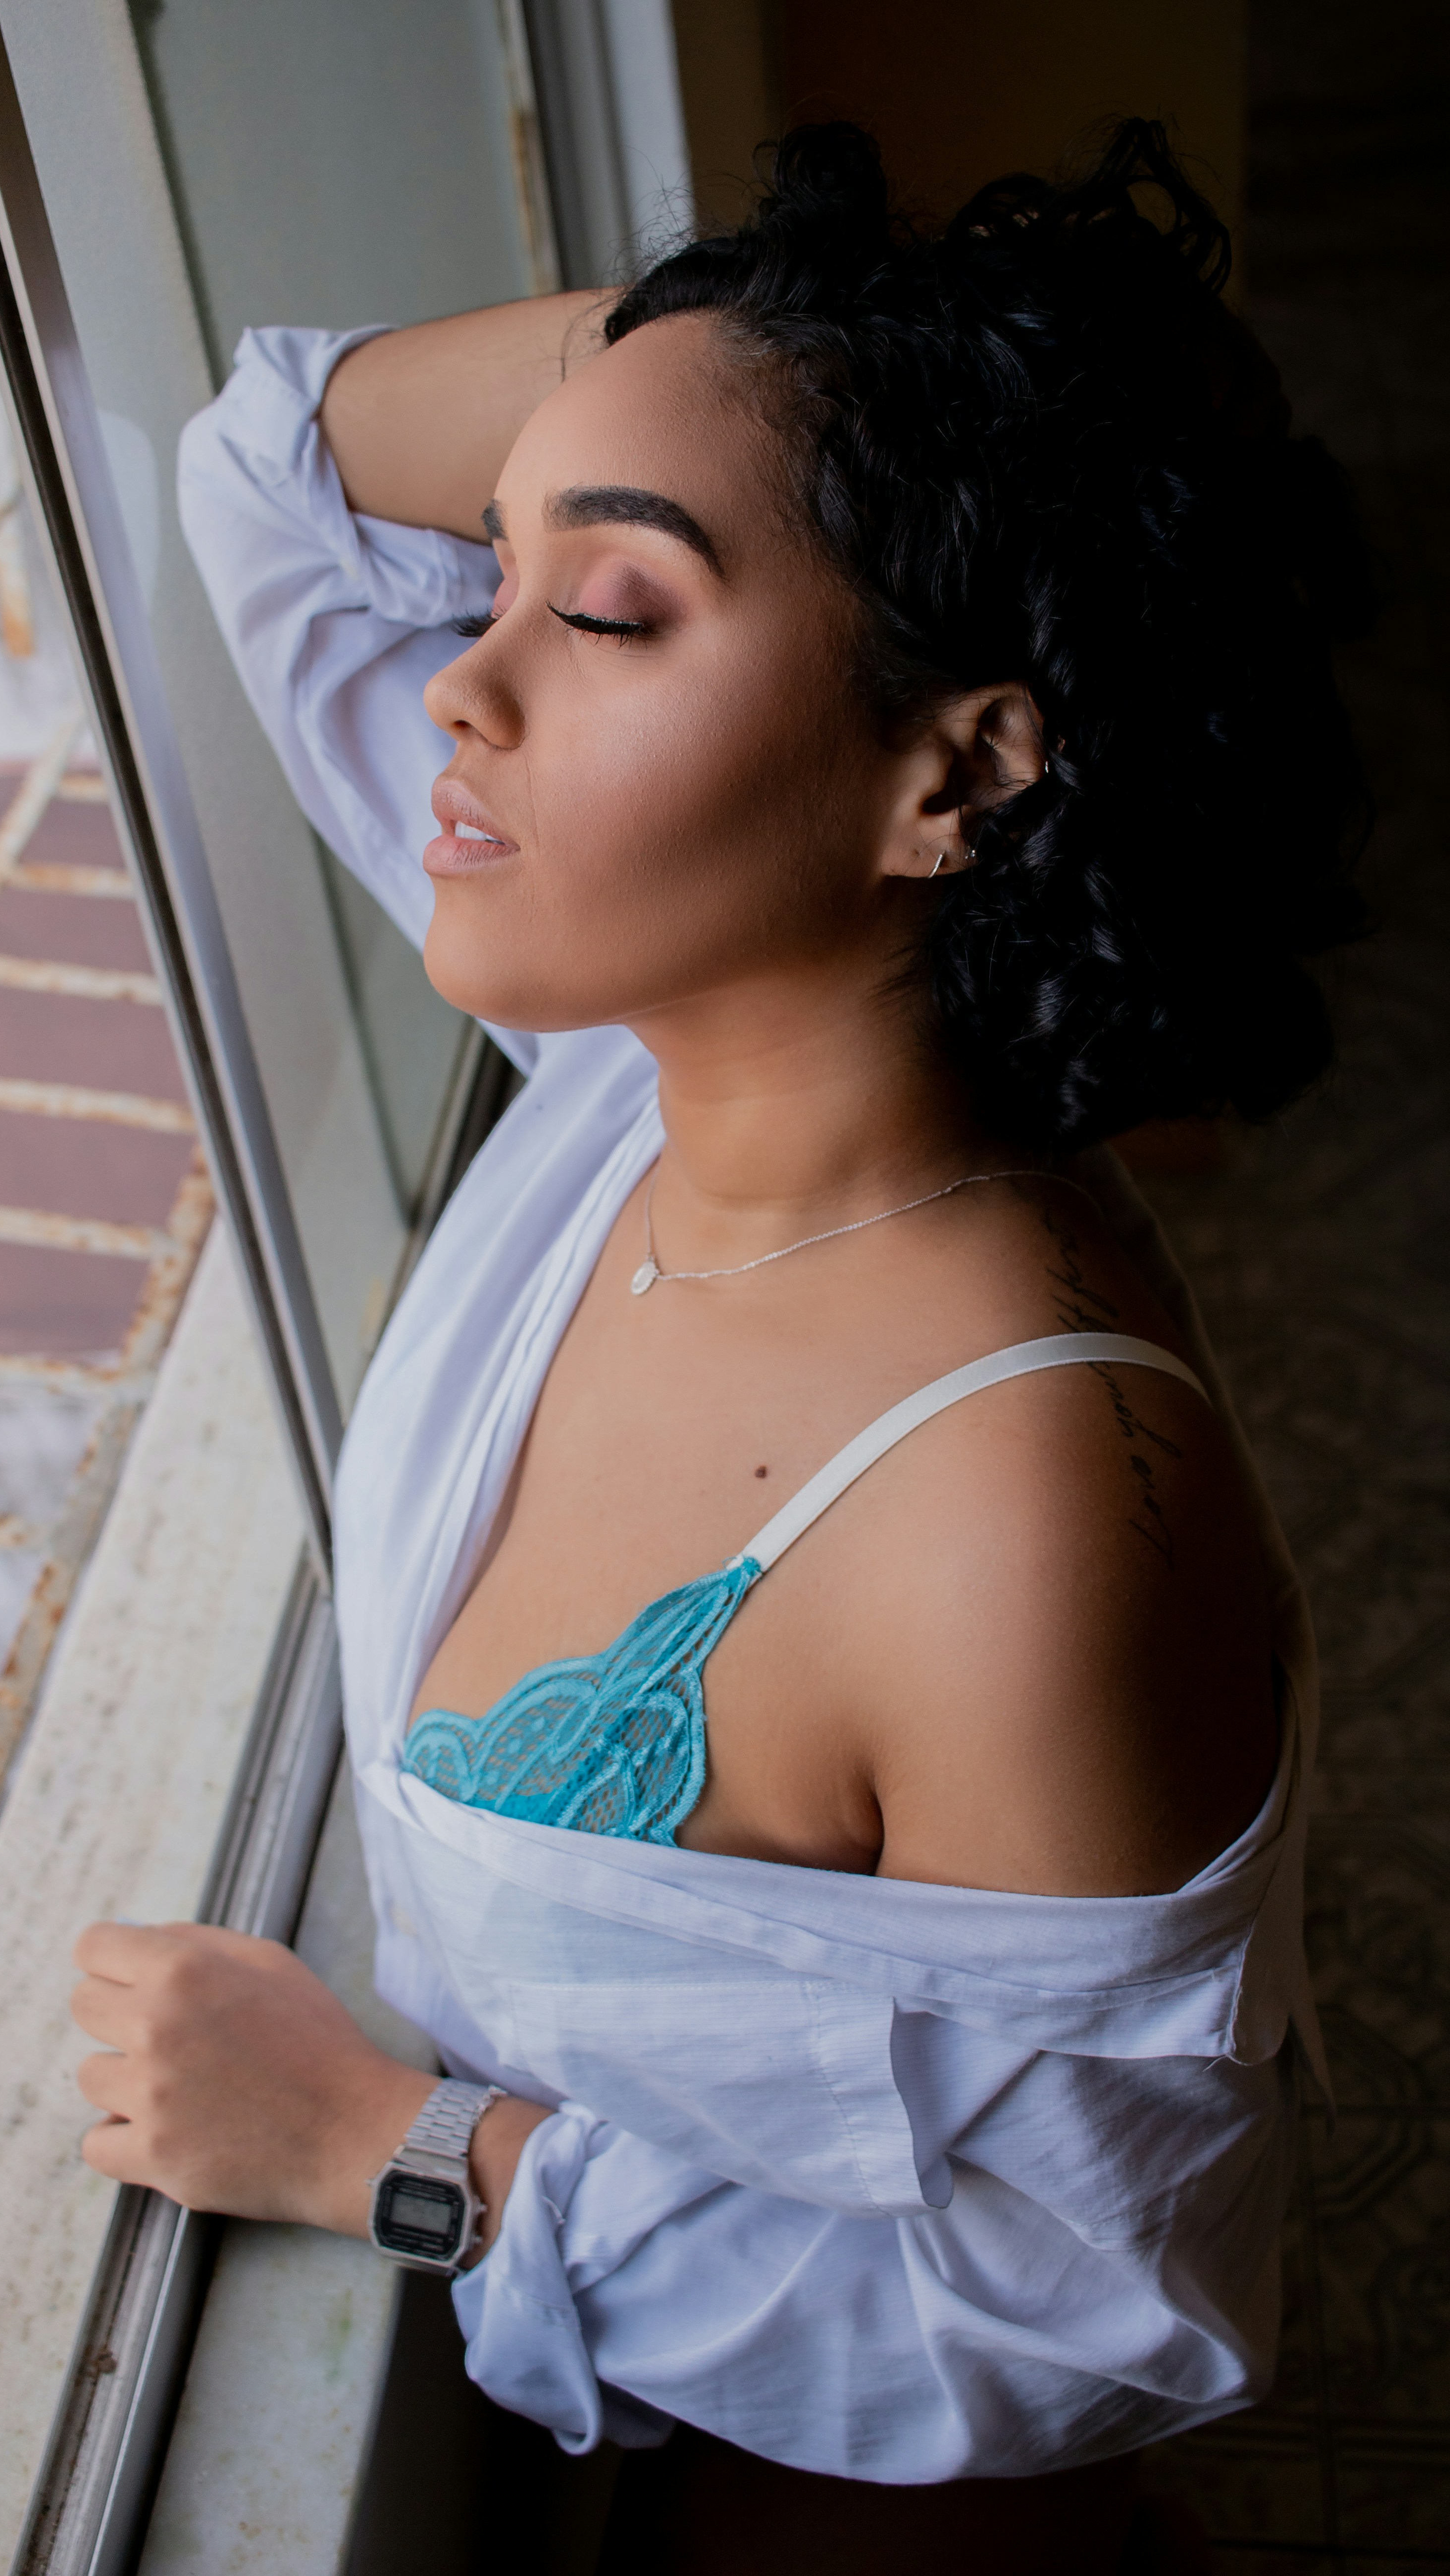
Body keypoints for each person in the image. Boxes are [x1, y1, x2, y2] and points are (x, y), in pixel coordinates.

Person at [69, 123, 1368, 2570]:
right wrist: (807, 346)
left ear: (954, 767)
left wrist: (389, 2151)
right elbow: (269, 468)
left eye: (608, 610)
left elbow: (1098, 2320)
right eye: (500, 568)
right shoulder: (627, 1091)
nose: (459, 682)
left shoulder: (1020, 1522)